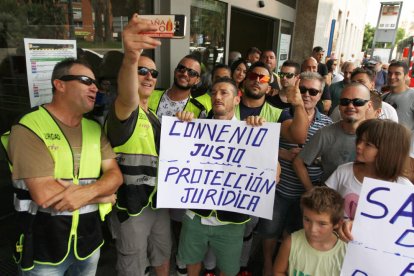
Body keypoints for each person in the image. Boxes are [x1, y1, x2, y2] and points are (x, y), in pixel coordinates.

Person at [7, 58, 122, 275]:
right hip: (44, 248)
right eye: (86, 80)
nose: (95, 87)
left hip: (89, 243)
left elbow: (115, 176)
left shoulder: (94, 128)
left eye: (95, 82)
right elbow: (44, 194)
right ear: (60, 85)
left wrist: (92, 192)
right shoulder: (29, 126)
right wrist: (102, 196)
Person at [175, 77, 274, 276]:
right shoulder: (194, 128)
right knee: (192, 261)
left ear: (237, 100)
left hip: (232, 221)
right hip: (196, 215)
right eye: (214, 93)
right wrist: (180, 126)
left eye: (224, 93)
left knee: (229, 270)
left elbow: (274, 173)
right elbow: (176, 160)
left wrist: (261, 136)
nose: (217, 97)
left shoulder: (251, 131)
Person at [105, 15, 172, 276]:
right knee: (133, 267)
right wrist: (131, 57)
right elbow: (127, 94)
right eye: (141, 71)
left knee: (162, 255)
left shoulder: (154, 114)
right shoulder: (124, 110)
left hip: (158, 203)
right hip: (131, 208)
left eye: (153, 73)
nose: (148, 76)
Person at [257, 71, 332, 276]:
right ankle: (267, 266)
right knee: (269, 231)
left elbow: (331, 157)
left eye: (313, 91)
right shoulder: (282, 115)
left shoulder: (327, 124)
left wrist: (311, 157)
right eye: (302, 89)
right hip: (279, 190)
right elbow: (264, 144)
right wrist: (283, 153)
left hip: (308, 192)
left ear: (320, 95)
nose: (306, 94)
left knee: (295, 235)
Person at [327, 119, 412, 242]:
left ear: (388, 151)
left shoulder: (404, 188)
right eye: (360, 140)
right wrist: (337, 225)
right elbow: (322, 206)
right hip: (336, 247)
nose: (359, 146)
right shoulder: (344, 171)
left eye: (368, 144)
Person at [293, 82, 373, 188]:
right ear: (339, 106)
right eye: (345, 102)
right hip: (331, 200)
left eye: (357, 102)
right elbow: (298, 162)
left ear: (369, 106)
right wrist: (312, 191)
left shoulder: (378, 134)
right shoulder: (325, 133)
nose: (350, 106)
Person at [273, 187, 346, 276]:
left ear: (337, 224)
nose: (312, 229)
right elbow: (278, 271)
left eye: (322, 224)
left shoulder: (345, 251)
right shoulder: (290, 243)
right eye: (307, 219)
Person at [329, 67, 398, 122]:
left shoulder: (388, 110)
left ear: (372, 85)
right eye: (353, 82)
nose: (357, 85)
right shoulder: (341, 108)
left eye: (361, 82)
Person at [382, 61, 414, 132]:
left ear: (405, 76)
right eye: (390, 73)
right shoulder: (383, 97)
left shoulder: (412, 96)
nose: (392, 77)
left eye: (397, 74)